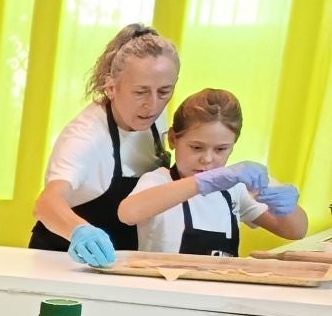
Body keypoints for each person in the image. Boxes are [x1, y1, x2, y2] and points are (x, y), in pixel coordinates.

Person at [29, 23, 180, 264]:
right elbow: (46, 203)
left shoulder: (153, 116)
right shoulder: (85, 137)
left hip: (121, 261)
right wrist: (80, 232)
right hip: (64, 261)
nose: (152, 105)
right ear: (111, 87)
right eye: (141, 92)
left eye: (164, 92)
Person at [115, 89, 308, 255]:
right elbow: (128, 213)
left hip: (219, 293)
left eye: (220, 149)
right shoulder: (159, 180)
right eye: (196, 147)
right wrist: (203, 183)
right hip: (167, 294)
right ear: (173, 139)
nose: (207, 159)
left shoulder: (235, 190)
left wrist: (288, 206)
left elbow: (295, 232)